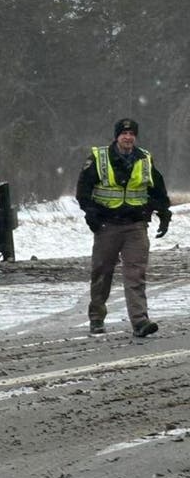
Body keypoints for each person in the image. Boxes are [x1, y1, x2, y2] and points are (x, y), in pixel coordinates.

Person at [76, 118, 171, 337]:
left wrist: (164, 213)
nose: (128, 137)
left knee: (135, 274)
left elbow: (158, 189)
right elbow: (83, 189)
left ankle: (140, 321)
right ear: (117, 136)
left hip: (136, 225)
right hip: (107, 225)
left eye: (131, 134)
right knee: (102, 273)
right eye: (124, 134)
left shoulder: (144, 159)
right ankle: (97, 318)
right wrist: (90, 213)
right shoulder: (99, 158)